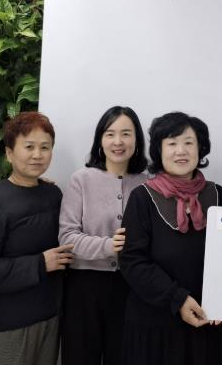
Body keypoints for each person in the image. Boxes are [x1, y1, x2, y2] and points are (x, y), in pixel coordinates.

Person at [0, 112, 74, 365]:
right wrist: (39, 263)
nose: (37, 155)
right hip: (5, 327)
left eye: (45, 147)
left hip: (50, 319)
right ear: (9, 153)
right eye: (29, 147)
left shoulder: (53, 194)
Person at [119, 112, 222, 365]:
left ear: (200, 148)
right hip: (155, 324)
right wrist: (177, 299)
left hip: (207, 321)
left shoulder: (217, 194)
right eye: (172, 143)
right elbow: (132, 260)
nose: (181, 151)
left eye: (188, 142)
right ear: (159, 150)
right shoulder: (142, 197)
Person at [59, 106, 148, 365]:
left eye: (126, 134)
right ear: (100, 139)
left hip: (131, 287)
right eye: (110, 134)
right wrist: (109, 245)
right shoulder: (81, 179)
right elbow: (67, 237)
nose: (118, 141)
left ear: (137, 140)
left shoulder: (148, 183)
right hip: (84, 287)